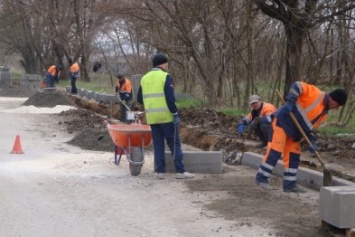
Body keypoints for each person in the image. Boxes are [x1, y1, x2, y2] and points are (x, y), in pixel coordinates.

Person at [255, 81, 348, 193]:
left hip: (295, 133)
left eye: (338, 106)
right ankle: (261, 178)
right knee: (275, 150)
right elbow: (297, 85)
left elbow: (308, 129)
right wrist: (290, 102)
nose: (335, 107)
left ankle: (289, 185)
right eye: (336, 104)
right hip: (283, 122)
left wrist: (311, 142)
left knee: (293, 157)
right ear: (333, 98)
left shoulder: (323, 115)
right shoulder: (315, 93)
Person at [137, 53, 194, 180]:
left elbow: (139, 98)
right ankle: (180, 171)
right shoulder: (165, 76)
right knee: (174, 143)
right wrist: (174, 113)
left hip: (152, 117)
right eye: (166, 63)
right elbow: (170, 98)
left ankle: (160, 172)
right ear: (163, 64)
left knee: (158, 144)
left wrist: (151, 105)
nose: (167, 65)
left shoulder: (144, 78)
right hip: (166, 117)